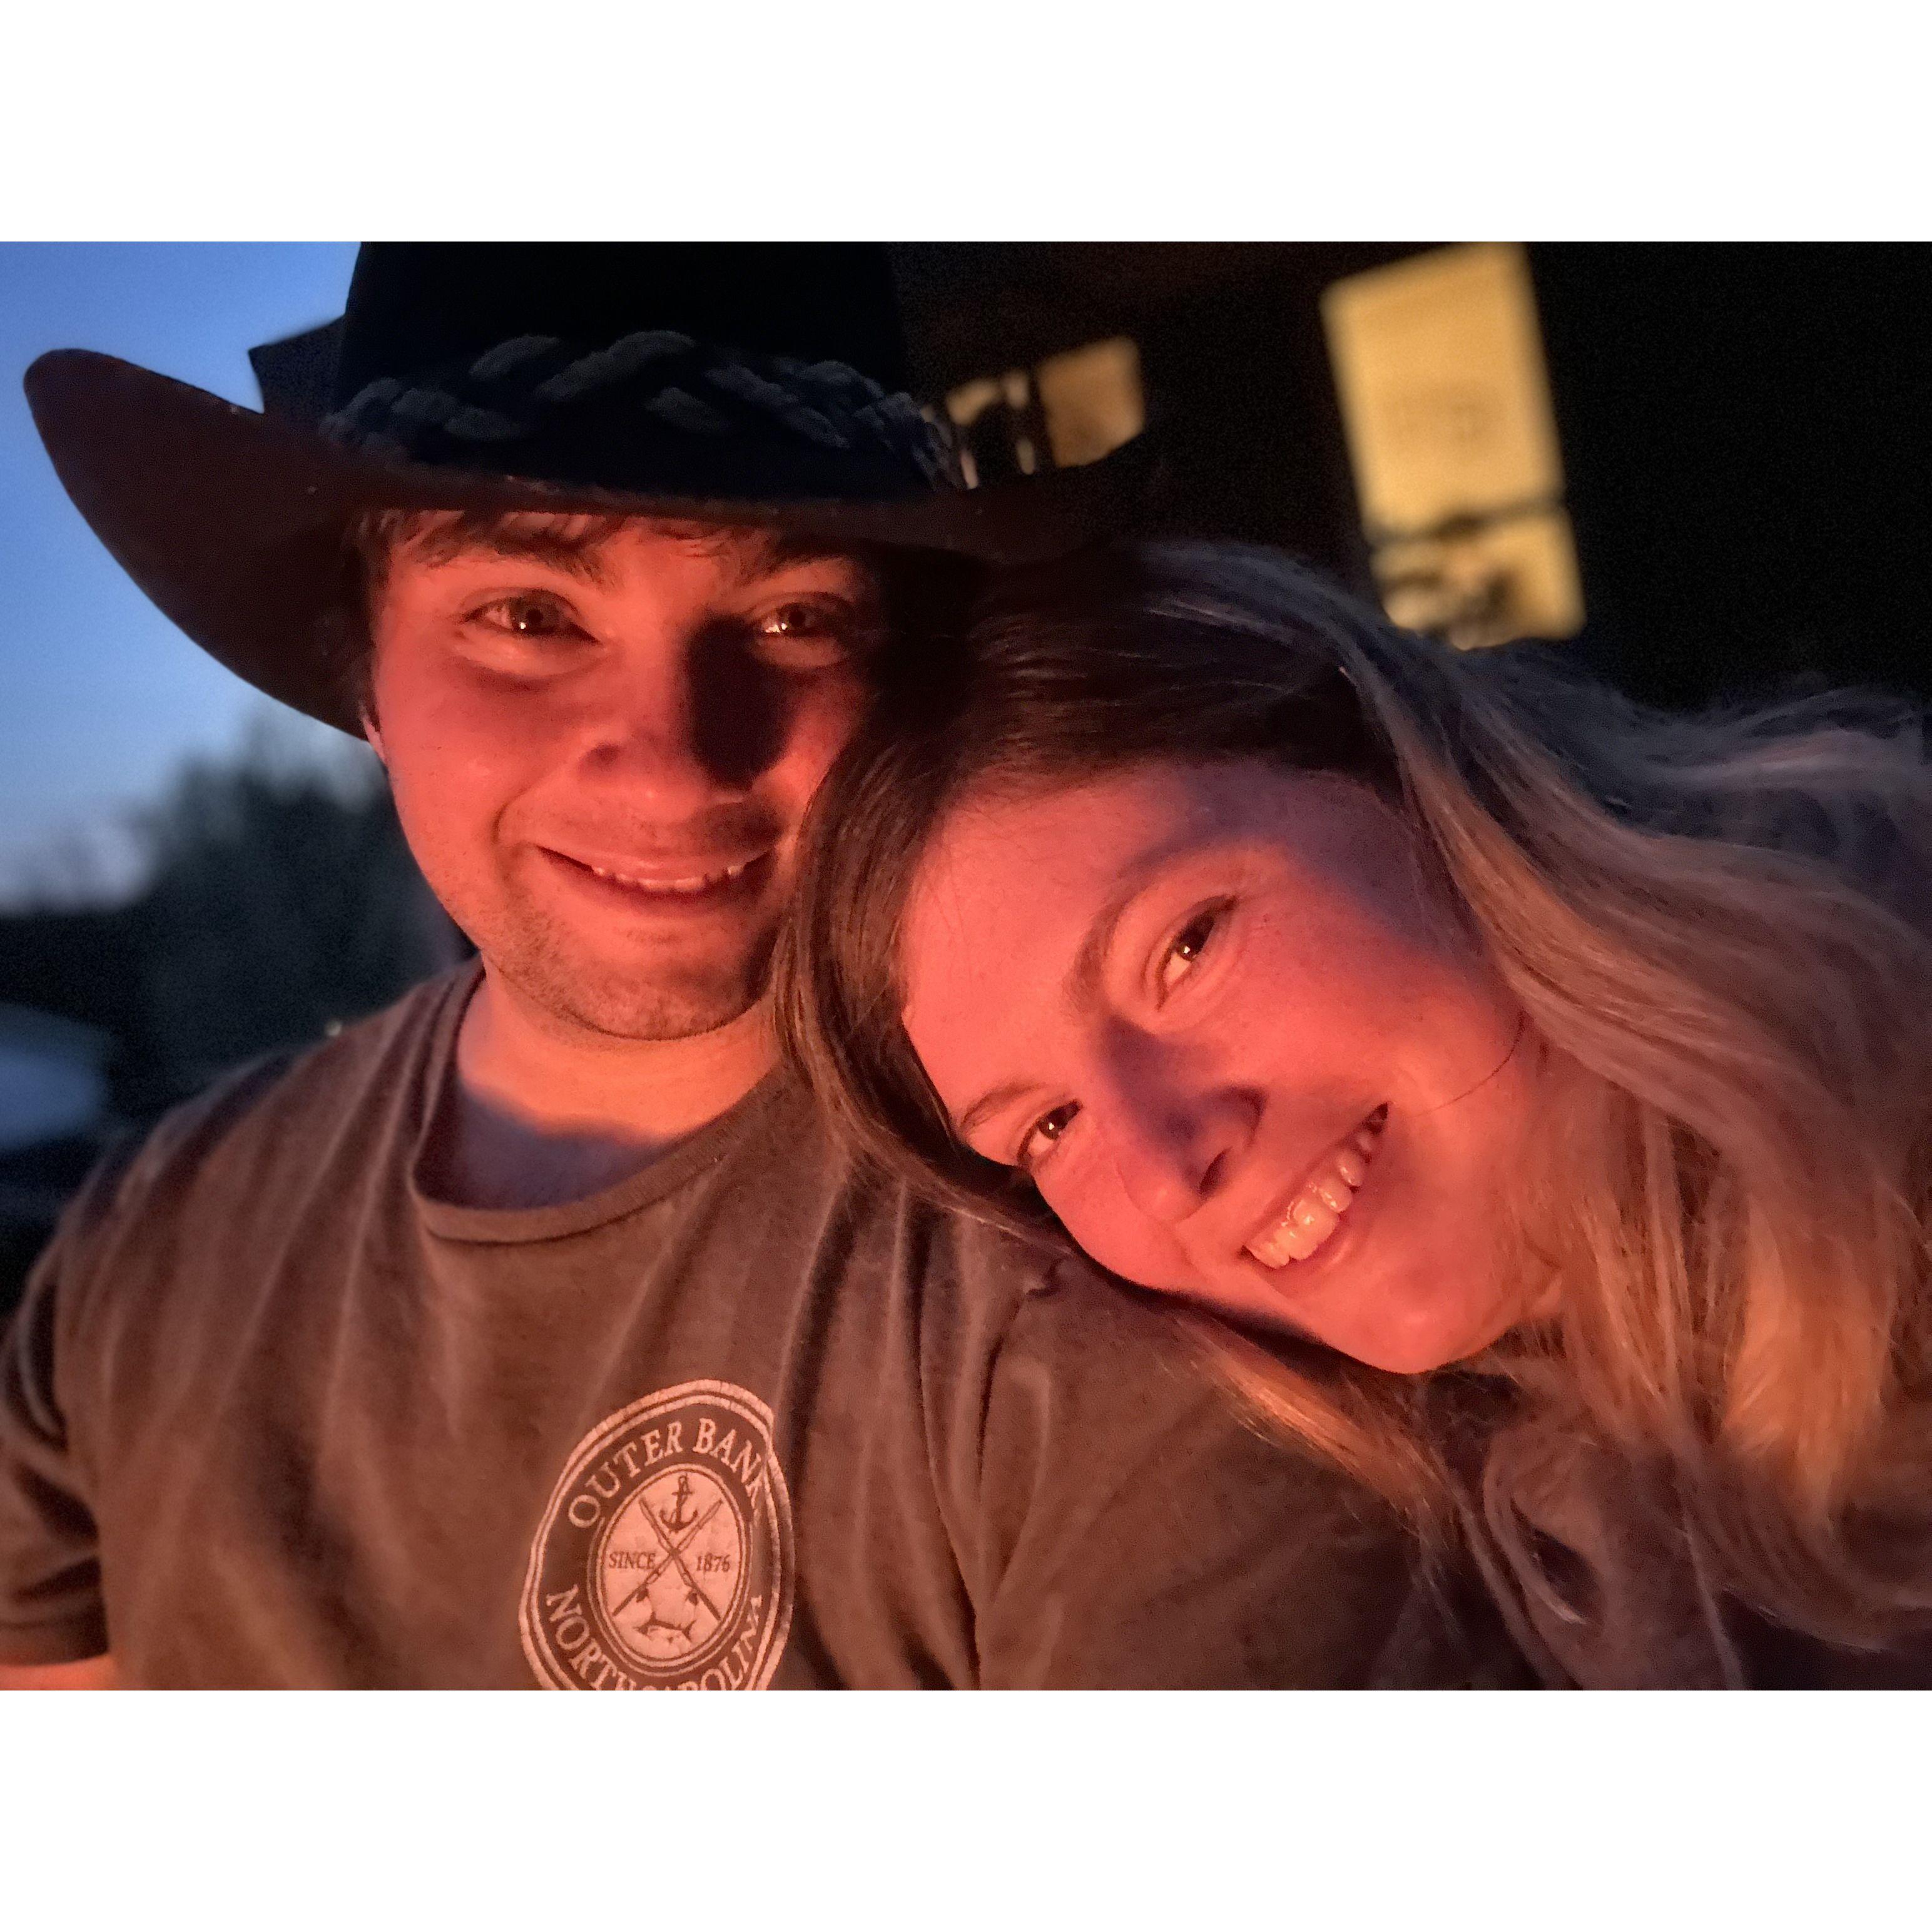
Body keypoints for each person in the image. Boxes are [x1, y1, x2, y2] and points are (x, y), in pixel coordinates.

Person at [0, 246, 1483, 1689]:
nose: (673, 753)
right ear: (362, 676)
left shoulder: (1123, 1282)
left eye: (791, 617)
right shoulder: (147, 1240)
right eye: (528, 615)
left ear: (902, 670)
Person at [778, 538, 1932, 1688]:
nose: (1168, 1164)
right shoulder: (1421, 1563)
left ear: (1415, 782)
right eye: (1049, 1128)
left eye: (1184, 949)